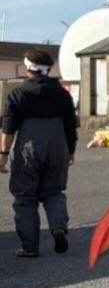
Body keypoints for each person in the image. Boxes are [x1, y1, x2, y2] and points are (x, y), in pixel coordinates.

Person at [0, 49, 77, 258]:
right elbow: (71, 126)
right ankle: (58, 227)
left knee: (25, 198)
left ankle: (30, 247)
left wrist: (3, 154)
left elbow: (8, 128)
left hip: (28, 148)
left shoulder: (18, 94)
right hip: (58, 146)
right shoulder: (62, 94)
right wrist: (70, 150)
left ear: (28, 69)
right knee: (53, 192)